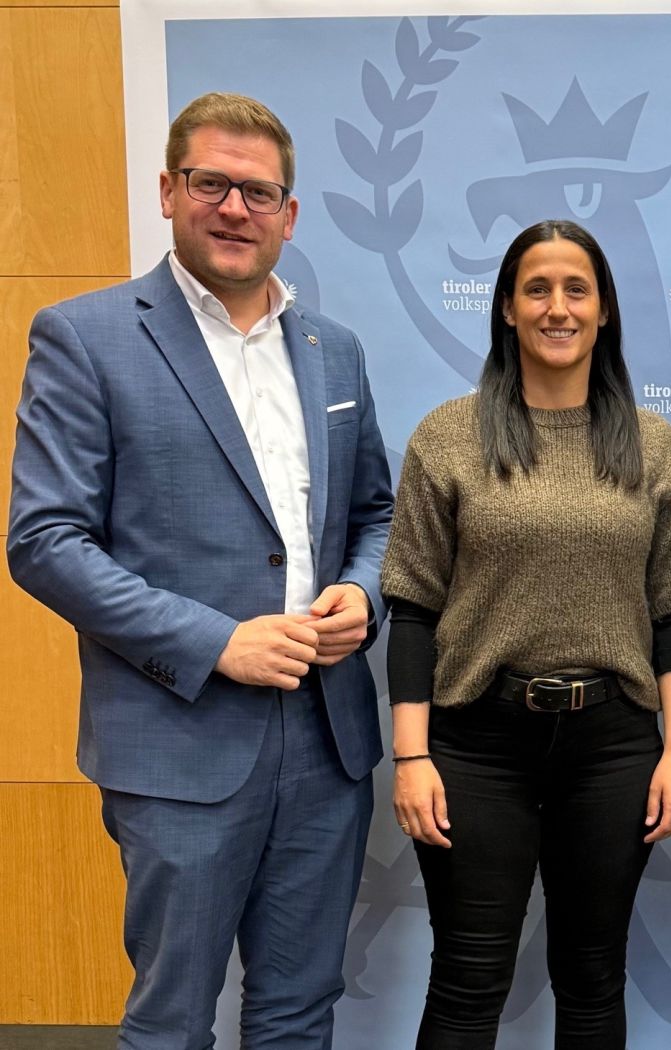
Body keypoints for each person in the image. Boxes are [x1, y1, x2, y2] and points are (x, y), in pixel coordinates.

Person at [7, 92, 394, 1048]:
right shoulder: (86, 337)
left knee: (299, 1012)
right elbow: (45, 540)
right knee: (174, 1021)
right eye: (210, 183)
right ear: (168, 192)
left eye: (258, 192)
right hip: (179, 743)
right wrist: (217, 642)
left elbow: (377, 515)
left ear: (289, 214)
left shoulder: (333, 350)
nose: (233, 208)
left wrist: (362, 591)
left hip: (327, 740)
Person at [382, 219, 671, 1049]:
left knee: (593, 977)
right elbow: (413, 609)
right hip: (475, 746)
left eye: (576, 290)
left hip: (613, 748)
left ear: (604, 311)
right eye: (537, 289)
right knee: (467, 979)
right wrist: (412, 759)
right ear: (506, 308)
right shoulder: (448, 437)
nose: (557, 307)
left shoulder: (653, 446)